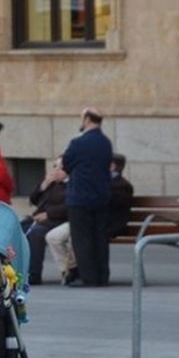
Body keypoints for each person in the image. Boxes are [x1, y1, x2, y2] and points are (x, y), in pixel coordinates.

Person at [47, 152, 133, 286]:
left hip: (106, 224)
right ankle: (69, 270)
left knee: (77, 237)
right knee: (53, 237)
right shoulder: (99, 181)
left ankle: (80, 272)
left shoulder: (121, 185)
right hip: (85, 220)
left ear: (111, 166)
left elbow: (106, 204)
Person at [61, 107, 113, 287]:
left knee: (82, 240)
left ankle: (89, 277)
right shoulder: (106, 143)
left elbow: (66, 163)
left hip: (80, 197)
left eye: (82, 118)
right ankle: (102, 276)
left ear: (88, 120)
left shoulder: (78, 143)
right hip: (101, 197)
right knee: (100, 238)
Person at [22, 156, 68, 285]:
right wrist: (43, 186)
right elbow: (33, 200)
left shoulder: (70, 185)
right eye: (55, 167)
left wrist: (49, 214)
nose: (56, 171)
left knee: (36, 233)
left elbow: (68, 207)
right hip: (39, 218)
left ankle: (34, 273)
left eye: (61, 168)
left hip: (56, 220)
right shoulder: (51, 184)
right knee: (19, 229)